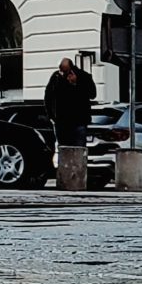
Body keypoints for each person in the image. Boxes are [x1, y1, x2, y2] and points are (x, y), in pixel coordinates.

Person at [44, 56, 93, 188]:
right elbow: (48, 96)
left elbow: (92, 93)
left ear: (71, 68)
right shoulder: (55, 78)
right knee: (63, 149)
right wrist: (51, 116)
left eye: (64, 71)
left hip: (78, 121)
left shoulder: (83, 76)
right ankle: (65, 180)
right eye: (61, 70)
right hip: (61, 121)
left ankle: (78, 180)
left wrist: (76, 84)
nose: (62, 73)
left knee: (78, 150)